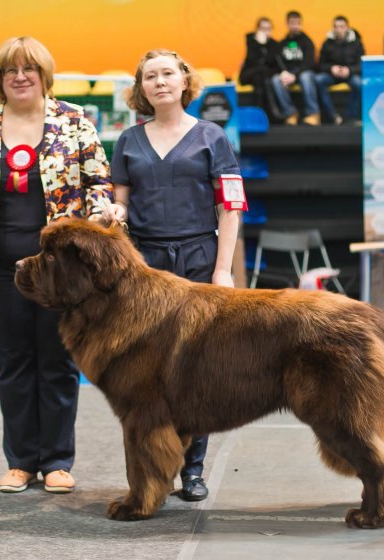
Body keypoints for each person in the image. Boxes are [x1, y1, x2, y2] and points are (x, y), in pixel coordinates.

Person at [0, 36, 123, 494]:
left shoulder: (75, 121)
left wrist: (104, 208)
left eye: (28, 69)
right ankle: (21, 461)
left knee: (59, 361)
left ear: (44, 74)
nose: (19, 76)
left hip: (60, 272)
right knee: (13, 362)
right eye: (10, 70)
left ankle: (58, 461)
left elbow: (98, 180)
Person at [110, 49, 245, 502]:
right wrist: (116, 210)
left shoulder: (214, 137)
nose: (160, 81)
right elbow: (122, 203)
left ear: (185, 81)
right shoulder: (128, 140)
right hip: (144, 266)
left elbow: (230, 207)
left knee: (197, 370)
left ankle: (193, 469)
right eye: (150, 76)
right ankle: (153, 469)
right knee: (145, 372)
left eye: (168, 73)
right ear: (141, 87)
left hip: (200, 260)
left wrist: (222, 270)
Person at [271, 11, 320, 125]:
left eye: (297, 23)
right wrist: (283, 73)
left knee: (306, 76)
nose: (295, 25)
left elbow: (310, 63)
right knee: (275, 80)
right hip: (289, 74)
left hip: (304, 73)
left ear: (300, 24)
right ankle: (290, 113)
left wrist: (295, 75)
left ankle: (313, 113)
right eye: (292, 23)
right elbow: (277, 62)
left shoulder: (307, 41)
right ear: (287, 24)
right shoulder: (282, 43)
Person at [315, 15, 365, 125]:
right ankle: (333, 116)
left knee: (359, 83)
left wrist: (349, 70)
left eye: (342, 26)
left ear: (347, 28)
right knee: (318, 80)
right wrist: (331, 69)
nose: (339, 29)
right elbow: (320, 65)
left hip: (350, 74)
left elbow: (362, 64)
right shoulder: (327, 43)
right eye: (336, 27)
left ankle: (350, 116)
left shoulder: (357, 43)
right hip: (332, 75)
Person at [239, 17, 285, 121]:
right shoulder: (251, 40)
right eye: (263, 28)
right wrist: (259, 44)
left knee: (260, 78)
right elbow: (254, 61)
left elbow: (272, 61)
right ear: (257, 29)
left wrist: (266, 44)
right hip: (248, 74)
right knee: (262, 71)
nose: (266, 31)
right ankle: (273, 111)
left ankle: (259, 114)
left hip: (261, 76)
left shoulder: (274, 44)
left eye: (268, 29)